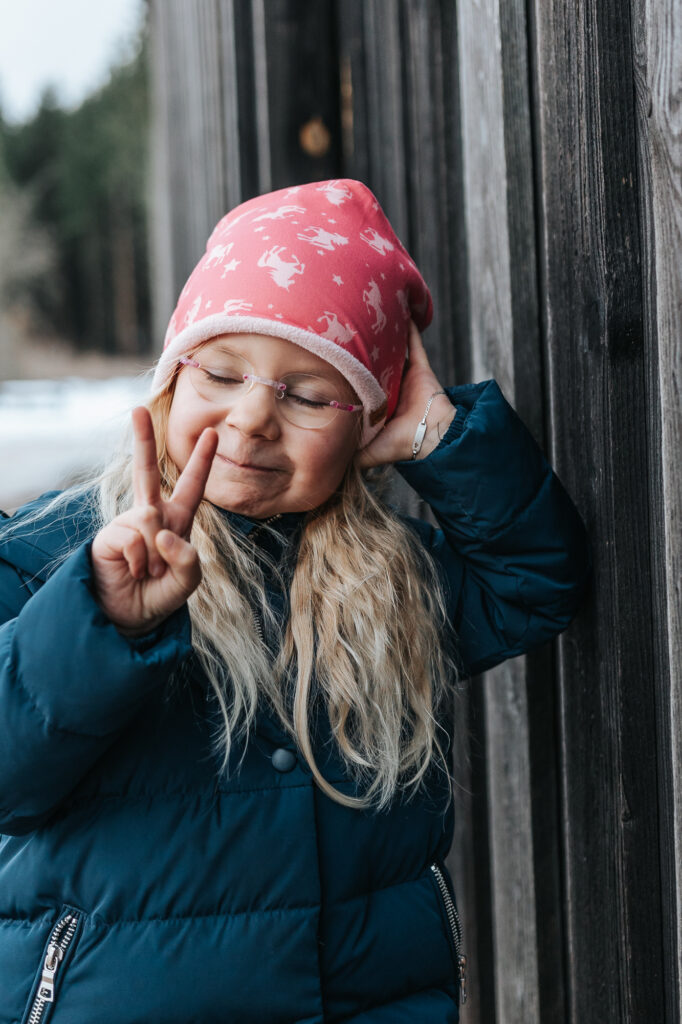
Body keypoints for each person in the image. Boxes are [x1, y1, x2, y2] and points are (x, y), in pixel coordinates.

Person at [0, 178, 591, 1023]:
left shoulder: (388, 581)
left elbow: (536, 581)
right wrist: (100, 619)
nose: (249, 422)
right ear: (172, 376)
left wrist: (438, 435)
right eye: (222, 371)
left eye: (310, 395)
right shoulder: (46, 559)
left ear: (365, 421)